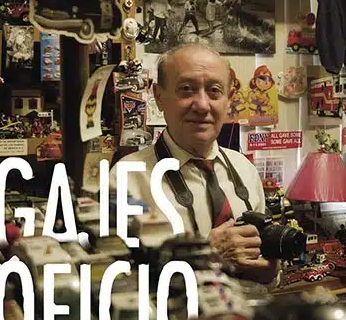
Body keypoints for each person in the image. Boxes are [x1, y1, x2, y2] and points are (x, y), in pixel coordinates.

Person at [113, 44, 276, 285]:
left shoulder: (245, 169)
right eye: (186, 90)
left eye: (214, 91)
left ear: (229, 99)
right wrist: (206, 252)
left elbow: (265, 265)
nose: (201, 105)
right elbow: (116, 279)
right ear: (158, 96)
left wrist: (270, 270)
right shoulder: (126, 179)